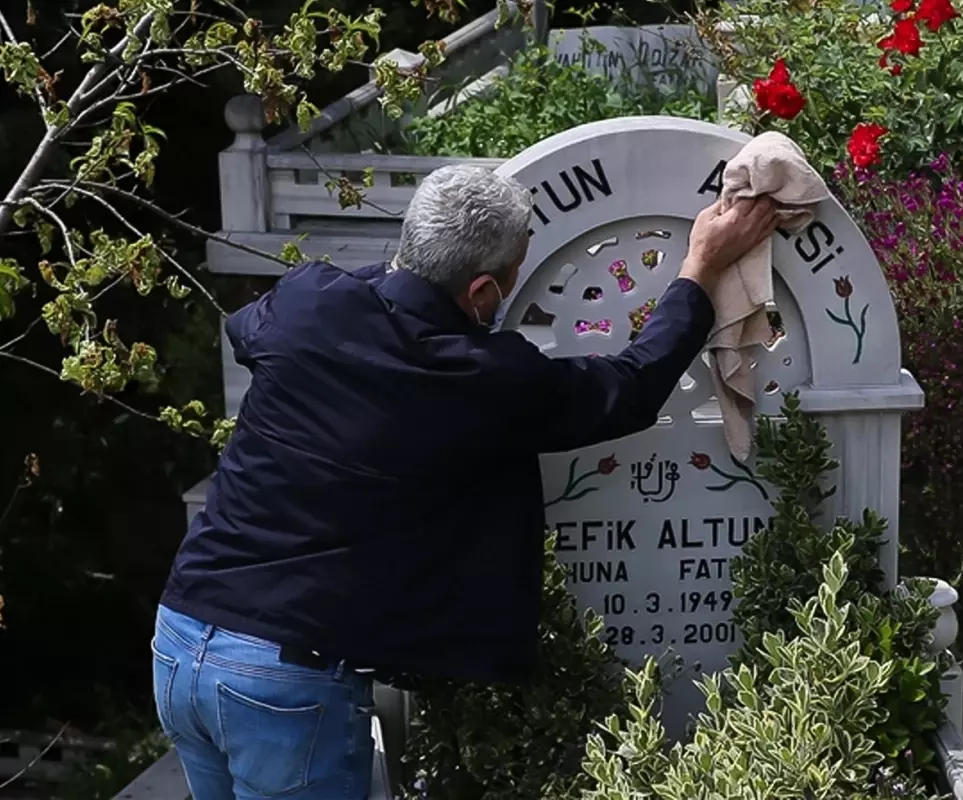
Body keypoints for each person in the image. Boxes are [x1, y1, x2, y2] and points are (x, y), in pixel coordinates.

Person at [152, 164, 779, 799]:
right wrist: (699, 268)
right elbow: (627, 387)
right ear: (481, 293)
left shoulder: (309, 300)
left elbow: (246, 331)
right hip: (285, 682)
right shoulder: (477, 378)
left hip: (179, 638)